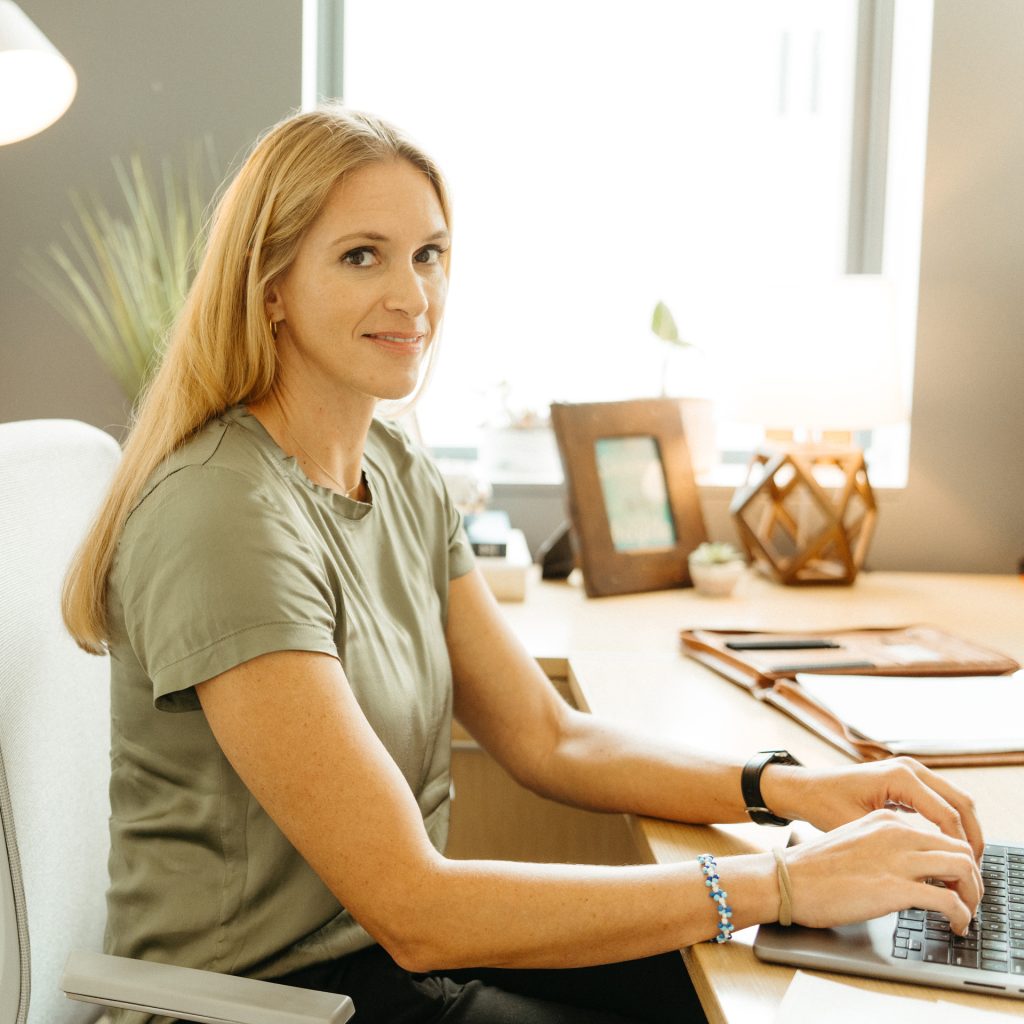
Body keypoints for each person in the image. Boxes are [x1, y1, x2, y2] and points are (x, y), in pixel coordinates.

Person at [63, 106, 984, 1024]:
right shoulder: (225, 517)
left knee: (787, 987)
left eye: (429, 254)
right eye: (362, 256)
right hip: (265, 1004)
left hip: (387, 964)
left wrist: (788, 790)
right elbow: (418, 908)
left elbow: (551, 737)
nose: (412, 297)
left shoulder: (396, 469)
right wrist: (782, 882)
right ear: (270, 287)